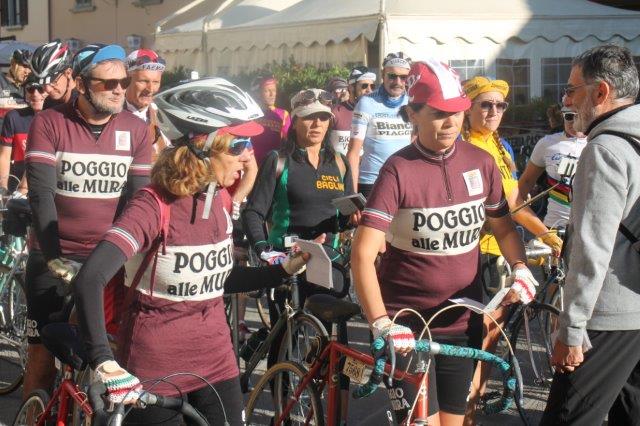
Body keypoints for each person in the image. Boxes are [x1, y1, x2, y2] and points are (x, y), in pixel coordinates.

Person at [68, 77, 310, 425]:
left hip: (217, 363)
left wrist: (282, 271)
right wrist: (104, 361)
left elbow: (217, 280)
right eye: (238, 145)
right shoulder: (153, 205)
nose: (248, 156)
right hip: (154, 367)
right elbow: (90, 279)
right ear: (201, 147)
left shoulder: (220, 199)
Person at [352, 59, 537, 426]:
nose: (451, 122)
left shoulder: (481, 162)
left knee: (459, 422)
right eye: (438, 113)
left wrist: (520, 267)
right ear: (413, 114)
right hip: (407, 326)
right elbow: (362, 253)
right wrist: (381, 322)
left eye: (456, 112)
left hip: (463, 323)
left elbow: (504, 230)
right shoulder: (398, 169)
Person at [22, 43, 152, 399]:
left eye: (123, 82)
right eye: (107, 83)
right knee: (42, 357)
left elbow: (139, 200)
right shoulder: (50, 122)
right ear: (80, 84)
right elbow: (41, 195)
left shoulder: (137, 129)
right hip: (54, 252)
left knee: (103, 356)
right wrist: (53, 257)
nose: (119, 90)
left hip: (107, 257)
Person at [542, 44, 640, 426]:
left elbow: (591, 248)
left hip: (608, 314)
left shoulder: (605, 149)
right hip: (635, 306)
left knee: (568, 418)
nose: (566, 101)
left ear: (601, 92)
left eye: (571, 90)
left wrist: (572, 329)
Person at [460, 76, 563, 423]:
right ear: (468, 109)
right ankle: (464, 410)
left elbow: (516, 200)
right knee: (482, 334)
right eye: (485, 105)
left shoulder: (500, 146)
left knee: (492, 334)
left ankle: (470, 406)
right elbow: (507, 206)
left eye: (499, 105)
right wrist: (544, 233)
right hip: (476, 251)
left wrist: (546, 235)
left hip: (501, 250)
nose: (493, 111)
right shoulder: (465, 145)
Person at [347, 52, 412, 198]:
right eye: (392, 76)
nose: (398, 82)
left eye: (403, 77)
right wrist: (352, 195)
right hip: (372, 182)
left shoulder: (412, 102)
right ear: (383, 75)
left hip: (405, 180)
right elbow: (353, 153)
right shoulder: (366, 103)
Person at [518, 106, 587, 228]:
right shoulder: (547, 143)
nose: (574, 121)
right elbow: (526, 181)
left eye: (579, 115)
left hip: (589, 229)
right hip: (555, 226)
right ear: (563, 116)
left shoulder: (599, 141)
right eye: (569, 116)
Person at [0, 73, 47, 194]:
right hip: (16, 182)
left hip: (46, 184)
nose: (35, 94)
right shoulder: (13, 117)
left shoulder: (58, 118)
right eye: (31, 89)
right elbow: (4, 156)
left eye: (41, 89)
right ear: (25, 92)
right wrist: (3, 188)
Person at [124, 48, 169, 162]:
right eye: (143, 81)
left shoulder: (163, 117)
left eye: (156, 82)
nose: (150, 89)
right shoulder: (109, 116)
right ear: (126, 80)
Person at [329, 66, 376, 155]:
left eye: (372, 86)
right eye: (364, 86)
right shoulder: (335, 112)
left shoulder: (377, 113)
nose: (369, 90)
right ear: (351, 87)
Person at [250, 74, 291, 165]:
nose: (272, 94)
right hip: (254, 163)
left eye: (274, 90)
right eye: (267, 91)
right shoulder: (252, 113)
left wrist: (282, 165)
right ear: (258, 93)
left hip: (274, 164)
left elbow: (287, 142)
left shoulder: (283, 114)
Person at [30, 40, 76, 108]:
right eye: (43, 84)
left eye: (53, 82)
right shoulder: (49, 103)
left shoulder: (84, 103)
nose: (47, 89)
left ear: (68, 73)